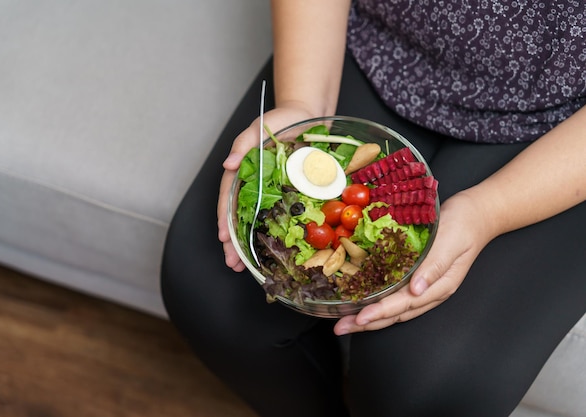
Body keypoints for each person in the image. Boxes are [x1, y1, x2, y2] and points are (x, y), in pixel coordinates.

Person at [161, 1, 586, 416]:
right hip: (377, 45)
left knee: (427, 382)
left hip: (561, 126)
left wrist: (487, 212)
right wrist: (302, 107)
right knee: (212, 295)